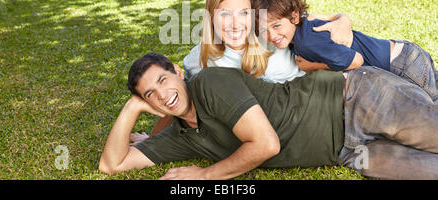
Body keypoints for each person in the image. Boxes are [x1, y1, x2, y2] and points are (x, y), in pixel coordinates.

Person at [99, 52, 438, 180]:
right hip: (349, 153)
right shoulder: (182, 136)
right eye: (149, 95)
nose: (162, 95)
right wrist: (132, 108)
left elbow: (265, 144)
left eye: (163, 80)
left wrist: (203, 176)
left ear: (177, 72)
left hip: (356, 100)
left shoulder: (210, 83)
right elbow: (111, 165)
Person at [147, 0, 353, 136]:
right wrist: (153, 138)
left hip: (338, 94)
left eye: (244, 13)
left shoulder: (272, 38)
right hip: (296, 124)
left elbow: (313, 20)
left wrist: (342, 20)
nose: (235, 24)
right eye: (225, 14)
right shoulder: (201, 57)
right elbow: (178, 90)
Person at [252, 0, 437, 104]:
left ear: (293, 16)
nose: (272, 35)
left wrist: (312, 66)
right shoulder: (303, 25)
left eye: (276, 25)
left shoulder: (306, 42)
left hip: (401, 64)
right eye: (263, 30)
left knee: (431, 109)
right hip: (404, 53)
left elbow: (356, 61)